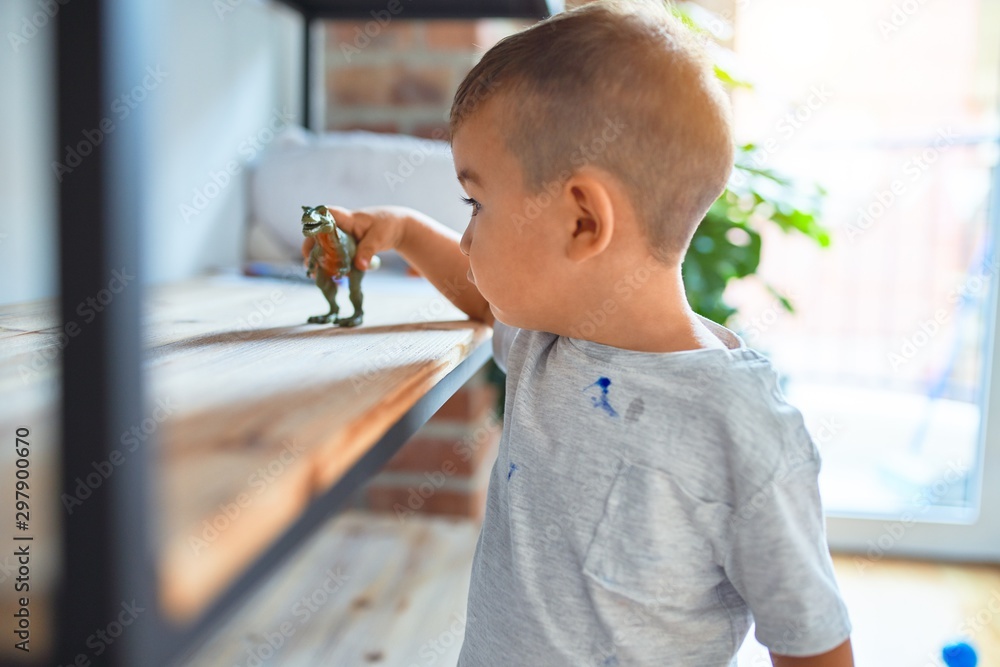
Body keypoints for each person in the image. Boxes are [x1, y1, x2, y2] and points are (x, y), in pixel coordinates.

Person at [305, 1, 854, 664]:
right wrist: (406, 232)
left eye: (476, 203)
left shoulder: (741, 431)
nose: (470, 233)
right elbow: (484, 298)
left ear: (583, 223)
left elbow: (813, 643)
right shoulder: (552, 340)